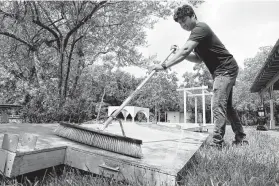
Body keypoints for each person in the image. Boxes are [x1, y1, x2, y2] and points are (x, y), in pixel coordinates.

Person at [152, 4, 247, 148]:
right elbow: (197, 58)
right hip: (225, 69)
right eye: (180, 23)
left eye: (184, 20)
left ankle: (217, 144)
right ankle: (241, 139)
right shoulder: (197, 36)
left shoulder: (200, 28)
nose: (183, 25)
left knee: (217, 105)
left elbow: (185, 50)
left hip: (225, 69)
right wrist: (181, 52)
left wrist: (165, 65)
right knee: (226, 107)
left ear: (193, 16)